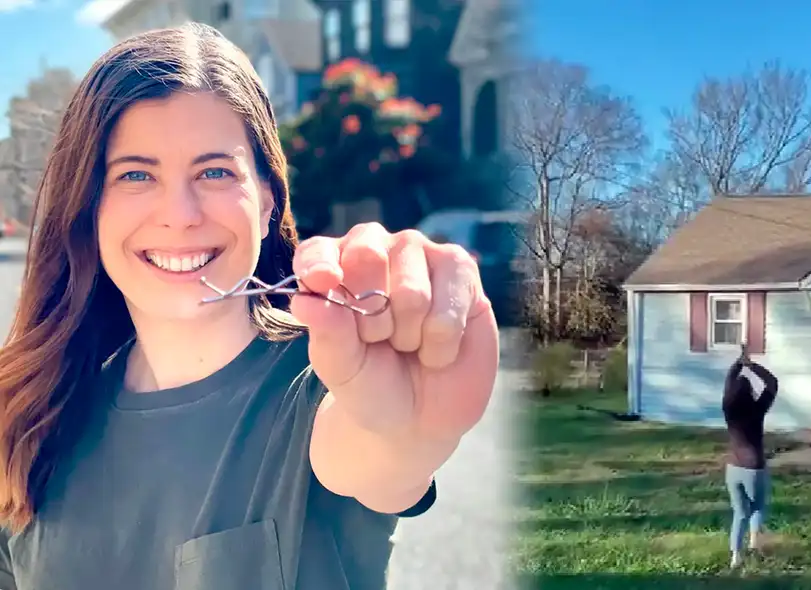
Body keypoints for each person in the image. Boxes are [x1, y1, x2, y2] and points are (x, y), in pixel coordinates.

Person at [0, 23, 499, 590]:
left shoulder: (327, 384)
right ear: (89, 209)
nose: (181, 213)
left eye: (214, 172)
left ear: (266, 201)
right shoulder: (28, 418)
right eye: (136, 175)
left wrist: (414, 431)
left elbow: (379, 445)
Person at [721, 343, 779, 569]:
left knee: (739, 512)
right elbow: (772, 383)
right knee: (757, 507)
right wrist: (751, 365)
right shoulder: (757, 409)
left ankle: (736, 556)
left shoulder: (728, 407)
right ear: (751, 394)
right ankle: (754, 544)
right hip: (754, 467)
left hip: (732, 468)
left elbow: (729, 382)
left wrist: (738, 363)